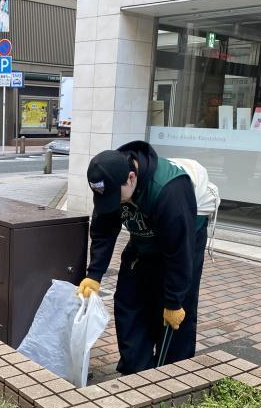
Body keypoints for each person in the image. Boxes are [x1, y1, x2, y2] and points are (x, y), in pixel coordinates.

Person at [78, 141, 206, 374]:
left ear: (131, 177)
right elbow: (103, 230)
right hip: (143, 243)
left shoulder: (170, 190)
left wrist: (174, 301)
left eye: (116, 197)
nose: (114, 204)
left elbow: (179, 253)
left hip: (184, 244)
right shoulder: (110, 181)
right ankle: (137, 370)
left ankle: (173, 375)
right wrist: (94, 274)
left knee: (174, 316)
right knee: (129, 301)